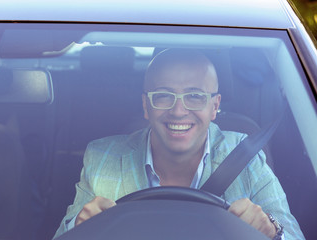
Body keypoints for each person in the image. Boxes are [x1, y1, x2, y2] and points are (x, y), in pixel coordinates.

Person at [53, 49, 305, 239]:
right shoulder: (102, 158)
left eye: (195, 96)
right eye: (163, 95)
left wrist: (272, 229)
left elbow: (292, 233)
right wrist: (78, 226)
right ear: (145, 106)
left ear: (214, 106)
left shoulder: (246, 156)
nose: (178, 110)